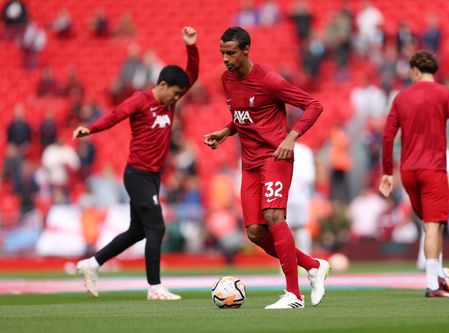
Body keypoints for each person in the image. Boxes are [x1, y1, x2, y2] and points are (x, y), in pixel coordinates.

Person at [204, 26, 330, 309]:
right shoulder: (227, 79)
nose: (225, 58)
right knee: (255, 233)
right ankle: (312, 266)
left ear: (246, 50)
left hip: (275, 157)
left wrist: (291, 136)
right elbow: (244, 115)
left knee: (274, 216)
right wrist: (226, 132)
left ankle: (293, 295)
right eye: (222, 53)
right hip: (249, 163)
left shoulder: (269, 80)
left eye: (231, 53)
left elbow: (314, 105)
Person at [73, 27, 199, 301]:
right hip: (137, 174)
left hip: (152, 176)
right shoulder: (140, 101)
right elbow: (115, 115)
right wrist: (90, 130)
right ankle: (155, 287)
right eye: (174, 93)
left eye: (180, 94)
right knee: (157, 227)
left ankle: (92, 264)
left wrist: (191, 47)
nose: (177, 99)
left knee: (138, 230)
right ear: (162, 85)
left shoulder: (169, 103)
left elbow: (193, 76)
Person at [380, 51, 449, 297]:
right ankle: (432, 284)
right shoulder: (445, 94)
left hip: (408, 171)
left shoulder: (401, 97)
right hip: (433, 170)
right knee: (433, 225)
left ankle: (436, 275)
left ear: (416, 71)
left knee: (430, 225)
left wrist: (387, 172)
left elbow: (388, 136)